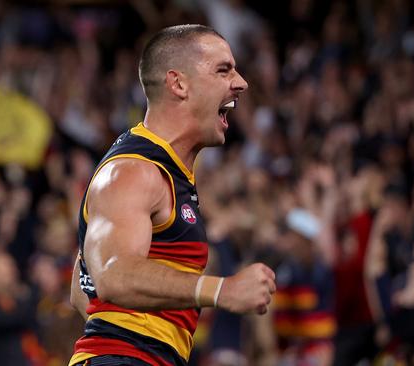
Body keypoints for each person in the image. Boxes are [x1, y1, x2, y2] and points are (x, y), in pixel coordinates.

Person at [68, 24, 276, 366]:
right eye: (223, 70)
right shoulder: (134, 170)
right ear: (178, 83)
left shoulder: (160, 167)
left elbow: (82, 290)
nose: (241, 82)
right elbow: (112, 275)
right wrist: (221, 290)